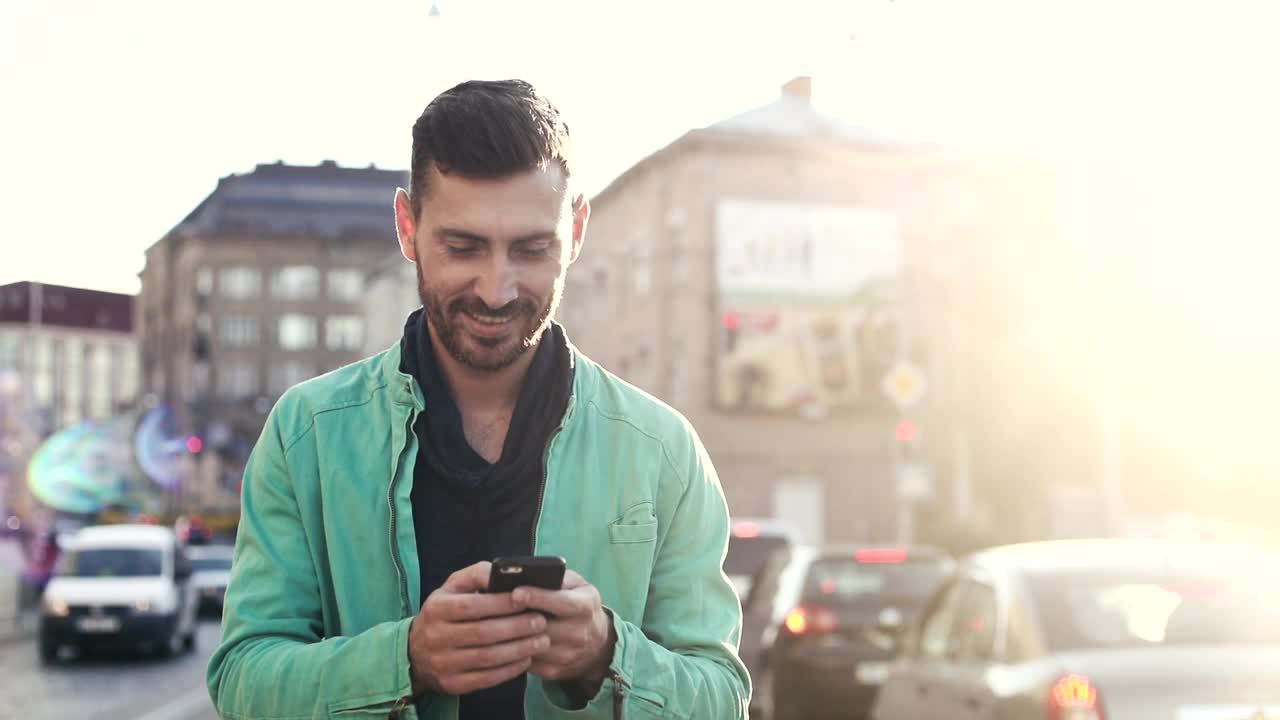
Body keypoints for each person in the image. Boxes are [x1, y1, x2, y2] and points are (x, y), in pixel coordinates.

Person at [207, 79, 750, 719]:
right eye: (463, 247)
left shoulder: (662, 449)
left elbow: (723, 698)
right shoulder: (308, 434)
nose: (496, 290)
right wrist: (406, 660)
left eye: (531, 248)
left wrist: (606, 654)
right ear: (408, 227)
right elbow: (242, 683)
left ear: (575, 231)